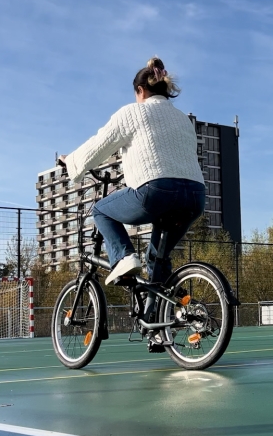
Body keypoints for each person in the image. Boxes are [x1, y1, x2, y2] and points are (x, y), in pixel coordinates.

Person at [59, 57, 205, 286]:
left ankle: (124, 257)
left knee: (101, 211)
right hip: (195, 196)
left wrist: (71, 161)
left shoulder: (132, 113)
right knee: (157, 258)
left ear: (140, 90)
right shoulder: (183, 119)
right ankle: (160, 315)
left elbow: (98, 145)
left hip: (157, 190)